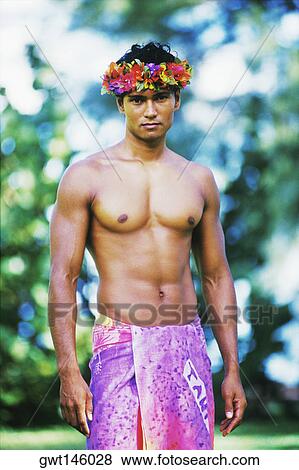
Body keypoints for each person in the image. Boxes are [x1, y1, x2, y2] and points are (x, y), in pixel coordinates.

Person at [48, 41, 247, 450]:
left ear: (177, 99)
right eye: (137, 99)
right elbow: (63, 278)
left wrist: (232, 368)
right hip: (120, 343)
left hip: (187, 345)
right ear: (121, 105)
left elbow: (215, 274)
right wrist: (68, 371)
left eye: (160, 98)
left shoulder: (199, 180)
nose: (150, 110)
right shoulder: (86, 176)